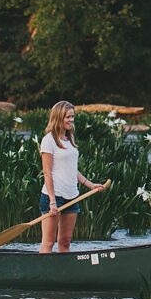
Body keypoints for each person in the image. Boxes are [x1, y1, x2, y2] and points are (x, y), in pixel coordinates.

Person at [39, 100, 108, 253]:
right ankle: (42, 274)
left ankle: (63, 275)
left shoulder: (69, 139)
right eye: (68, 117)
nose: (71, 120)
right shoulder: (48, 140)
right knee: (49, 242)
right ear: (58, 118)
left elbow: (71, 170)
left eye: (72, 117)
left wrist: (90, 184)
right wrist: (52, 202)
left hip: (72, 197)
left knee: (65, 241)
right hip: (54, 197)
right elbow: (47, 173)